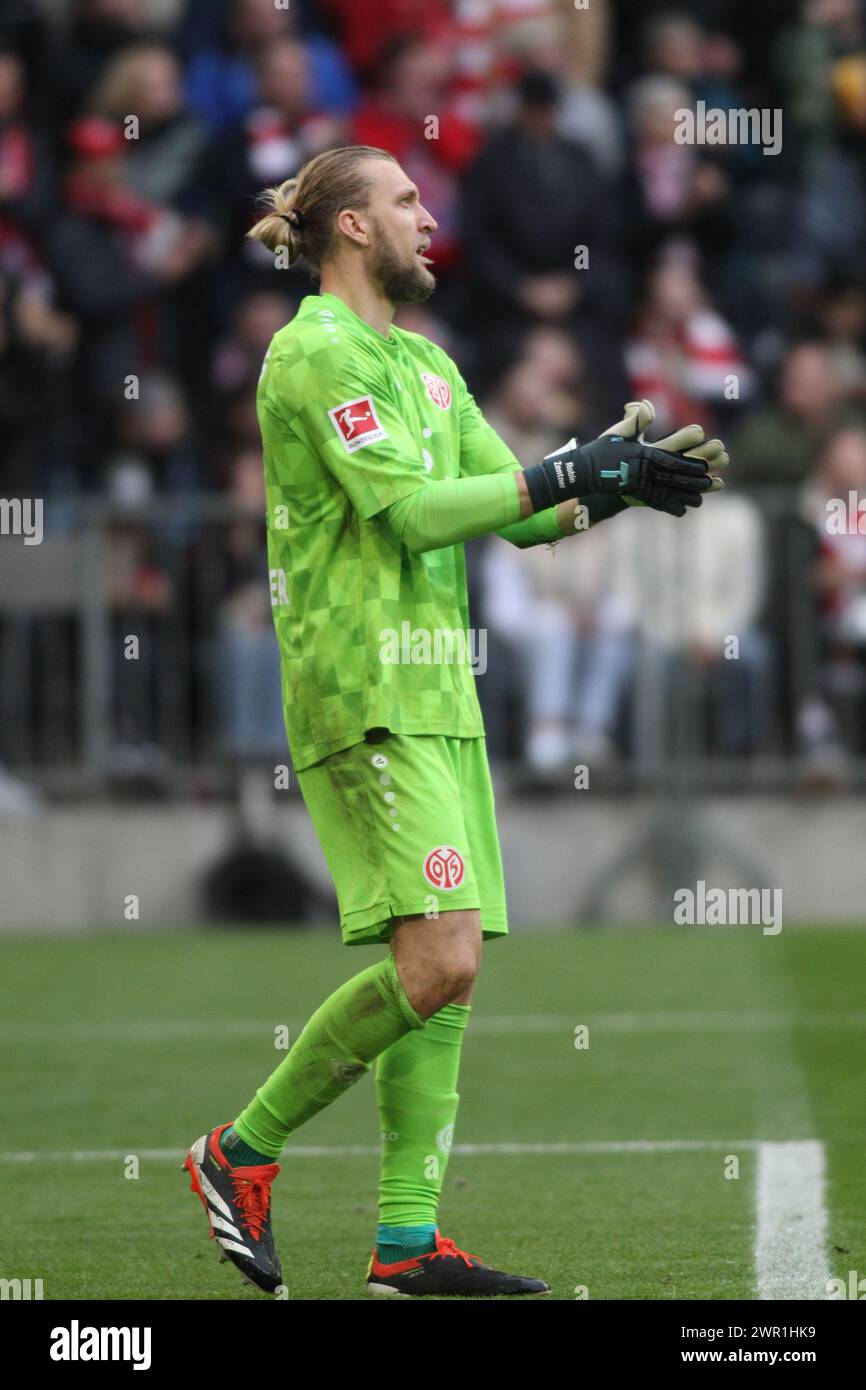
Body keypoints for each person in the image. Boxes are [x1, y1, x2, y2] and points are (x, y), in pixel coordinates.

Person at [182, 144, 727, 1297]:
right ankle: (237, 1152)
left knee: (445, 972)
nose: (429, 219)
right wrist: (567, 471)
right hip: (362, 689)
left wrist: (609, 480)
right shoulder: (310, 351)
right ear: (347, 229)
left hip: (440, 693)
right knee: (438, 960)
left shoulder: (426, 367)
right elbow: (412, 512)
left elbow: (521, 517)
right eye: (405, 202)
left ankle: (405, 1244)